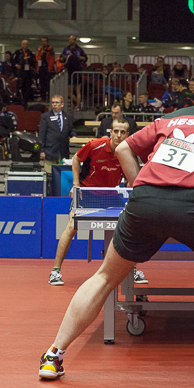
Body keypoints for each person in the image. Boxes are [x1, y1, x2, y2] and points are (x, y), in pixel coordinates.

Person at [38, 64, 194, 388]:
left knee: (104, 276)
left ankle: (53, 356)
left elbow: (124, 147)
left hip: (144, 201)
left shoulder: (171, 119)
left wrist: (141, 186)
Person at [49, 123, 149, 286]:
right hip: (87, 193)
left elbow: (133, 177)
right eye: (115, 131)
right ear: (110, 132)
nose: (118, 135)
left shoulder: (128, 152)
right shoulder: (95, 145)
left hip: (111, 194)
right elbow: (76, 158)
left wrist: (130, 184)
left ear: (127, 134)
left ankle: (133, 270)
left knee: (130, 229)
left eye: (122, 132)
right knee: (71, 227)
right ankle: (55, 271)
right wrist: (75, 184)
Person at [39, 95, 76, 174]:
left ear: (62, 104)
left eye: (57, 102)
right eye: (53, 103)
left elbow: (71, 129)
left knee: (62, 175)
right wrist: (41, 150)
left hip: (63, 151)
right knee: (50, 175)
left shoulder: (67, 116)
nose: (54, 104)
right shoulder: (45, 117)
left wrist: (73, 135)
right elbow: (42, 134)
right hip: (50, 151)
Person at [61, 36, 87, 108]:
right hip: (77, 75)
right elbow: (61, 58)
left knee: (70, 92)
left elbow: (66, 65)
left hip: (71, 75)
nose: (70, 41)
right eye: (69, 40)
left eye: (72, 40)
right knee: (78, 92)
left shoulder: (72, 56)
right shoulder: (77, 58)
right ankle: (78, 104)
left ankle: (78, 104)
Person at [36, 36, 56, 101]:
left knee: (48, 85)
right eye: (42, 41)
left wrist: (50, 69)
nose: (43, 43)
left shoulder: (50, 49)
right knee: (42, 84)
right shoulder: (40, 50)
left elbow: (52, 60)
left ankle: (49, 98)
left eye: (45, 41)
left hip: (47, 69)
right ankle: (43, 97)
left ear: (47, 42)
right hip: (41, 69)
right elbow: (38, 59)